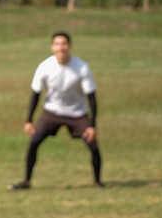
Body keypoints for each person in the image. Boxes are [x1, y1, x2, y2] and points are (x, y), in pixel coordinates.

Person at [8, 31, 103, 190]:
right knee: (34, 142)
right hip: (52, 112)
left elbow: (92, 98)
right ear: (52, 47)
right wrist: (29, 120)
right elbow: (36, 94)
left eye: (64, 44)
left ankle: (98, 182)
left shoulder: (81, 67)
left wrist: (92, 125)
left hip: (77, 113)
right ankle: (26, 182)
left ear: (70, 46)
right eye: (58, 44)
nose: (61, 48)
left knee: (93, 146)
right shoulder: (45, 67)